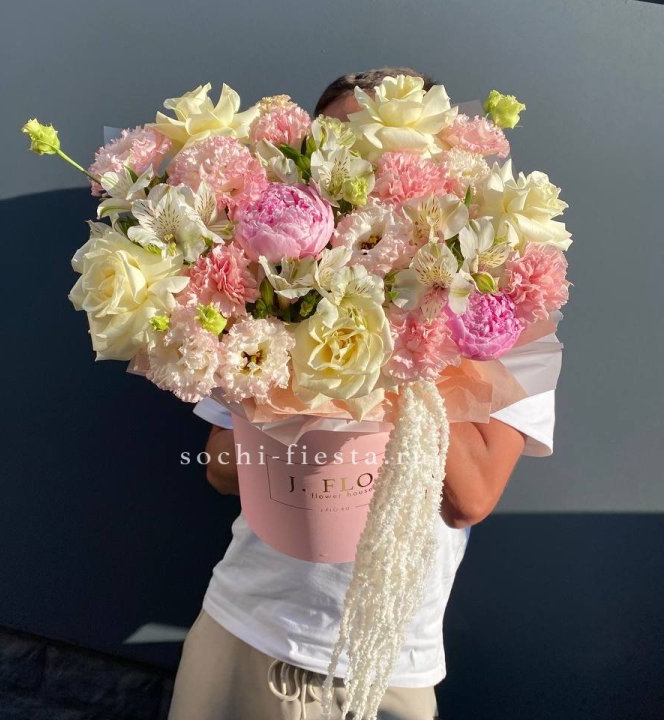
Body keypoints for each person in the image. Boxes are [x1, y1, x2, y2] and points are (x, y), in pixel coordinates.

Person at [166, 67, 564, 720]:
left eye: (388, 151)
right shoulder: (270, 296)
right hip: (243, 623)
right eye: (342, 147)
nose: (365, 175)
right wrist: (293, 345)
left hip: (380, 666)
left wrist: (407, 331)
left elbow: (469, 498)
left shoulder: (502, 320)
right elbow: (218, 467)